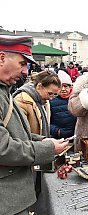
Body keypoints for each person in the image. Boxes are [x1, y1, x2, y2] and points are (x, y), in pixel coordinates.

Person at [0, 35, 68, 215]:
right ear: (1, 58)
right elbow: (3, 148)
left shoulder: (4, 92)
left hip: (12, 196)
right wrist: (46, 149)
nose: (25, 71)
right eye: (22, 63)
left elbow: (17, 134)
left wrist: (45, 141)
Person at [13, 70, 61, 136]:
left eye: (54, 94)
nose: (51, 98)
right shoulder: (22, 101)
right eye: (50, 93)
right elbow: (19, 134)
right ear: (39, 86)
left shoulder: (43, 101)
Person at [50, 70, 77, 139]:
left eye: (65, 86)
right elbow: (47, 121)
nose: (63, 89)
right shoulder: (51, 102)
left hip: (76, 136)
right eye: (60, 87)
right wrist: (57, 131)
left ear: (70, 87)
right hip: (60, 138)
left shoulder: (76, 99)